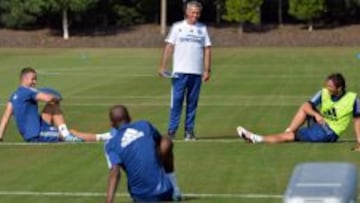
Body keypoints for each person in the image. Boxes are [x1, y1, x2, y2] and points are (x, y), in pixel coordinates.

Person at [237, 73, 360, 148]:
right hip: (320, 124)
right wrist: (316, 115)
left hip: (329, 133)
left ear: (340, 88)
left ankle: (255, 138)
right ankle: (288, 132)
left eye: (330, 87)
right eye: (327, 85)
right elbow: (306, 106)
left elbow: (357, 121)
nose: (327, 88)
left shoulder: (353, 99)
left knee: (291, 136)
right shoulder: (324, 92)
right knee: (305, 109)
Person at [104, 105, 182, 203]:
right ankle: (175, 189)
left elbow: (115, 172)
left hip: (141, 196)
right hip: (164, 191)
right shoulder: (144, 125)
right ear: (129, 117)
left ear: (112, 125)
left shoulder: (112, 144)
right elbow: (163, 143)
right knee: (166, 141)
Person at [158, 0, 212, 140]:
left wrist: (207, 70)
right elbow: (169, 47)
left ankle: (189, 131)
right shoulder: (177, 27)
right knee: (176, 102)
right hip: (179, 72)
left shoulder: (202, 28)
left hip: (196, 73)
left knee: (192, 103)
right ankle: (172, 131)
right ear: (187, 12)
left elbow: (207, 49)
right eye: (193, 12)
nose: (195, 15)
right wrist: (163, 66)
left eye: (198, 13)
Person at [0, 67, 82, 142]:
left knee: (53, 107)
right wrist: (58, 97)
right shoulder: (29, 91)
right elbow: (48, 98)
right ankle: (66, 135)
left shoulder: (14, 95)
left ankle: (69, 134)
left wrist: (0, 135)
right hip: (36, 135)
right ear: (25, 79)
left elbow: (6, 117)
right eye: (33, 79)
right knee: (71, 133)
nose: (35, 82)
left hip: (30, 134)